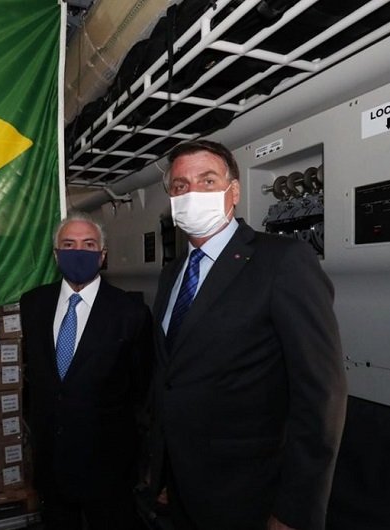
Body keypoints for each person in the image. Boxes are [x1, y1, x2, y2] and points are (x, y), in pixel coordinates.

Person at [149, 139, 348, 530]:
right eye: (180, 186)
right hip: (183, 481)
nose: (192, 193)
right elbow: (169, 376)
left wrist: (295, 510)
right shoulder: (172, 273)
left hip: (250, 489)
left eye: (207, 181)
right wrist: (162, 469)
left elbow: (321, 393)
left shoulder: (282, 260)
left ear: (234, 191)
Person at [20, 211, 153, 530]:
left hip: (109, 467)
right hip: (52, 464)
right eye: (69, 244)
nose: (78, 251)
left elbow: (145, 391)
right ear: (56, 255)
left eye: (88, 244)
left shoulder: (131, 312)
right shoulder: (33, 304)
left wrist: (146, 462)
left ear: (102, 255)